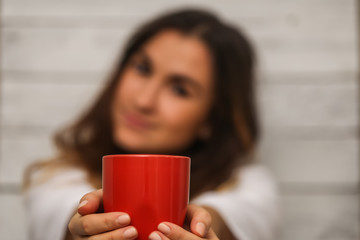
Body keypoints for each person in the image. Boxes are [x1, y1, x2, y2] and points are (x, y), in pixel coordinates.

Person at [23, 8, 280, 240]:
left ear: (211, 120)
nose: (144, 101)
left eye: (179, 89)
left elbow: (235, 215)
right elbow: (64, 214)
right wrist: (86, 225)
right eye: (143, 68)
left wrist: (200, 226)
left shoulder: (249, 185)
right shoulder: (57, 177)